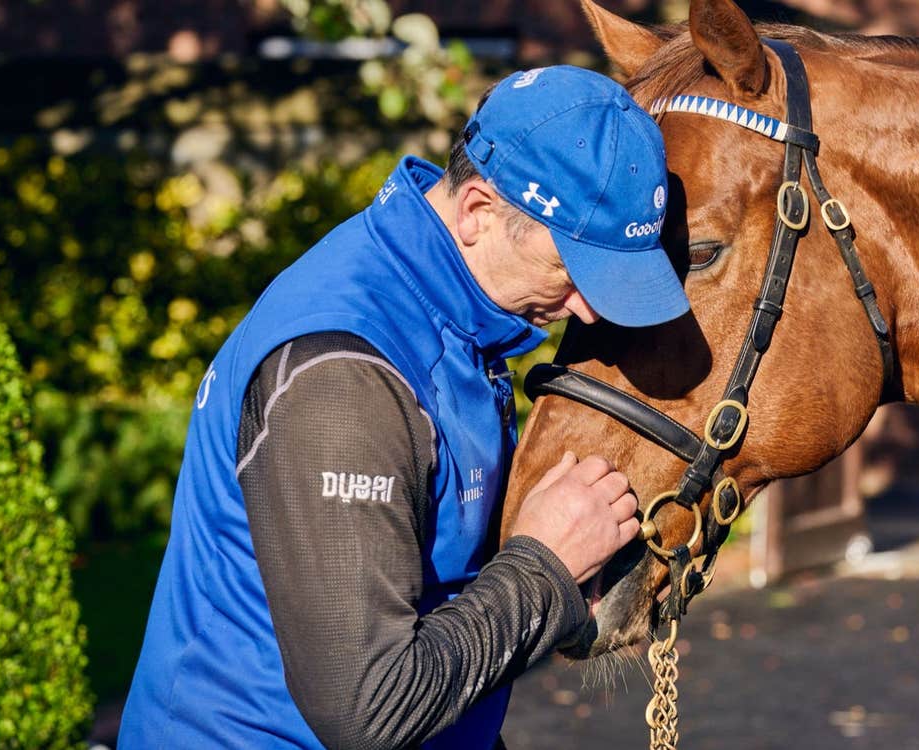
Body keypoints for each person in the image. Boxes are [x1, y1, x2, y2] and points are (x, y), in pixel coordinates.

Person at [120, 65, 689, 749]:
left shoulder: (451, 308)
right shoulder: (343, 376)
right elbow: (370, 709)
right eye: (574, 270)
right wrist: (544, 567)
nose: (589, 309)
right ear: (479, 212)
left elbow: (439, 590)